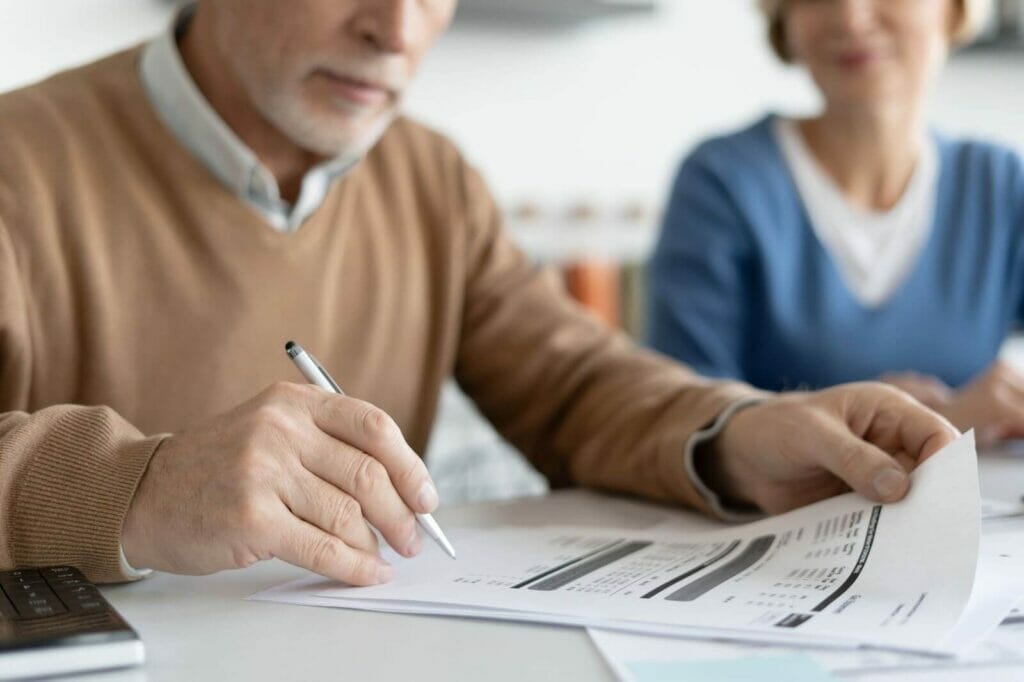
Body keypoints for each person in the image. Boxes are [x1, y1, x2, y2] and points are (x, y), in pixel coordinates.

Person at [0, 0, 956, 587]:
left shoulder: (432, 178)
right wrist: (139, 487)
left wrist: (739, 432)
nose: (400, 28)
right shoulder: (20, 163)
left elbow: (573, 381)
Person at [648, 0, 1024, 447]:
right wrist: (936, 425)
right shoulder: (722, 183)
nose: (851, 16)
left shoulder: (998, 184)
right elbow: (682, 421)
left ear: (954, 10)